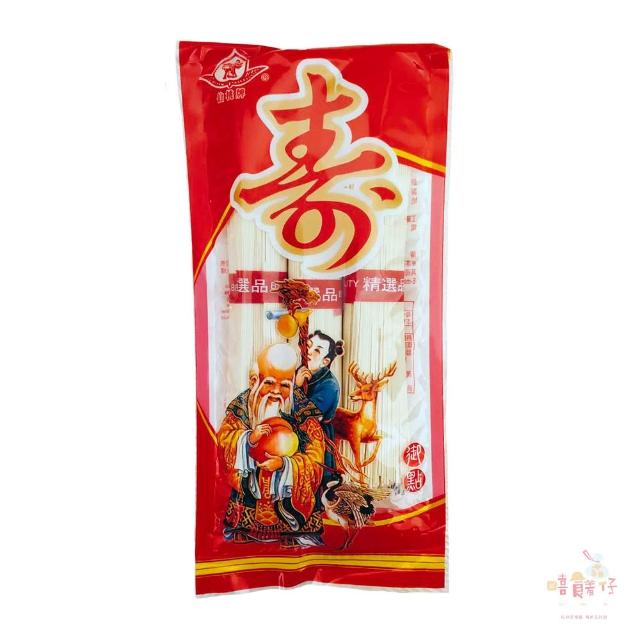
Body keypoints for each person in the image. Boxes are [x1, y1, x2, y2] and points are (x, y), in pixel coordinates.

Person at [218, 342, 326, 547]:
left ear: (292, 384)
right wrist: (248, 439)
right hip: (249, 497)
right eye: (269, 383)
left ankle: (295, 533)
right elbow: (224, 440)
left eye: (284, 385)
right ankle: (246, 529)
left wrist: (285, 465)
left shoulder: (303, 410)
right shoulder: (243, 406)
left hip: (289, 501)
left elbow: (316, 456)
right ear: (255, 381)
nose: (276, 391)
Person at [295, 330, 344, 487]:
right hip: (295, 434)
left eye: (317, 350)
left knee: (312, 483)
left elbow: (306, 416)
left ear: (325, 361)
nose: (309, 352)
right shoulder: (300, 372)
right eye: (308, 346)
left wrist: (295, 388)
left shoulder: (330, 385)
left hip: (316, 438)